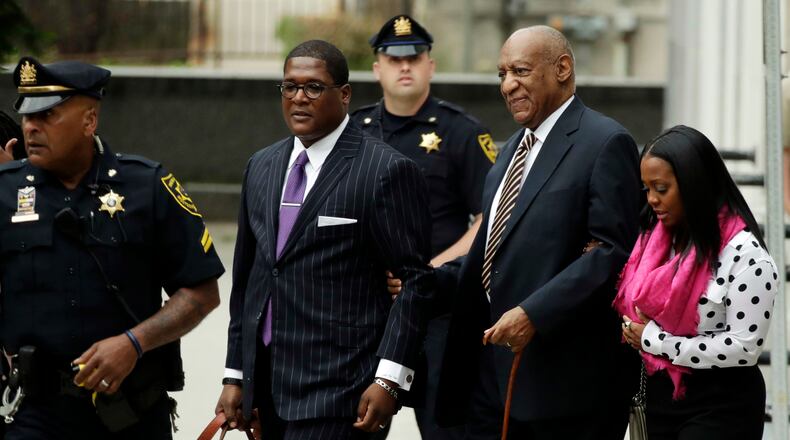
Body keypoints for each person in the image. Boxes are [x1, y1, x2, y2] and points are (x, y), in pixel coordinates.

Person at [215, 40, 434, 440]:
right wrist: (235, 374)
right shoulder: (261, 166)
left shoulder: (385, 171)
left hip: (341, 393)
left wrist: (389, 379)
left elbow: (416, 283)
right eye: (289, 87)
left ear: (345, 94)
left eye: (314, 87)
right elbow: (249, 278)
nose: (299, 98)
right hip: (266, 390)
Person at [432, 26, 642, 439]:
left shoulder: (605, 141)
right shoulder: (510, 150)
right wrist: (422, 280)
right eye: (502, 74)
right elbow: (494, 253)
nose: (508, 85)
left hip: (566, 390)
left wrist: (534, 314)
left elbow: (614, 252)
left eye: (521, 71)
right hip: (490, 382)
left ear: (562, 68)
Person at [0, 57, 225, 439]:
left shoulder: (147, 187)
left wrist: (134, 344)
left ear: (89, 121)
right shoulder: (5, 191)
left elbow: (201, 294)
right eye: (27, 115)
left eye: (48, 115)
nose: (31, 127)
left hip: (130, 412)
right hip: (34, 415)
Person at [351, 15, 495, 439]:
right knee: (357, 426)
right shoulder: (352, 133)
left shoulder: (463, 132)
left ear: (431, 65)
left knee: (447, 428)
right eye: (393, 60)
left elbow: (489, 218)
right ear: (377, 68)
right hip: (368, 310)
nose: (405, 66)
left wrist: (428, 273)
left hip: (439, 315)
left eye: (415, 57)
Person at [616, 125, 777, 440]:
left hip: (722, 405)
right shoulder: (653, 241)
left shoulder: (746, 255)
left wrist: (656, 340)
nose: (651, 200)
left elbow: (744, 347)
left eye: (661, 189)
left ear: (694, 184)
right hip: (662, 399)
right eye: (646, 189)